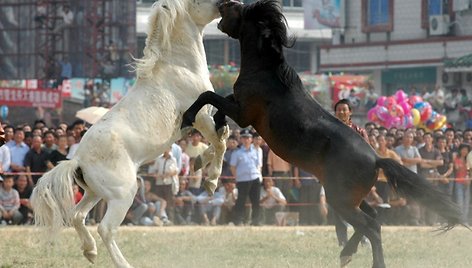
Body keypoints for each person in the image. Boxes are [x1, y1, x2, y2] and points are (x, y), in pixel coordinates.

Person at [332, 99, 368, 246]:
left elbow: (367, 153)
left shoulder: (359, 131)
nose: (341, 112)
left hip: (354, 175)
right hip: (334, 175)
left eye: (344, 109)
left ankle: (363, 236)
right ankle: (342, 240)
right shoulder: (330, 130)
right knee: (337, 207)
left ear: (350, 112)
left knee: (356, 207)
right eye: (339, 110)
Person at [230, 128, 262, 226]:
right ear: (241, 139)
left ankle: (256, 221)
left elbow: (259, 165)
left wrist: (258, 175)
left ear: (251, 139)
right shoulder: (237, 152)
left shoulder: (256, 151)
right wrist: (237, 177)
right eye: (244, 138)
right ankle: (238, 221)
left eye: (248, 138)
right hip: (242, 180)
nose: (246, 140)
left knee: (256, 201)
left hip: (255, 178)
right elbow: (232, 167)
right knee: (241, 201)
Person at [395, 130, 423, 225]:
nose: (408, 139)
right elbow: (399, 162)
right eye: (407, 137)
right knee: (402, 199)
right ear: (403, 138)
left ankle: (414, 219)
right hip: (402, 177)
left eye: (411, 137)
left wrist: (406, 160)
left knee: (414, 199)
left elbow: (419, 160)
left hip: (413, 178)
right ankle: (402, 220)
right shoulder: (397, 149)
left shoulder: (414, 149)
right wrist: (411, 161)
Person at [148, 147, 178, 222]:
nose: (165, 151)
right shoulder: (159, 159)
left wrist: (169, 174)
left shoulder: (173, 159)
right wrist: (157, 175)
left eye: (167, 149)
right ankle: (160, 218)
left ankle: (171, 219)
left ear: (170, 149)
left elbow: (175, 171)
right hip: (159, 183)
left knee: (169, 202)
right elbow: (154, 169)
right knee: (160, 200)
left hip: (168, 183)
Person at [455, 143, 470, 224]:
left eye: (466, 150)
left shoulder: (469, 160)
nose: (464, 151)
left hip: (467, 183)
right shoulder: (457, 159)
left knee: (466, 202)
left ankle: (465, 220)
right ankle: (459, 220)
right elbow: (457, 168)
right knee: (460, 201)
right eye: (463, 149)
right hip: (459, 183)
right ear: (460, 150)